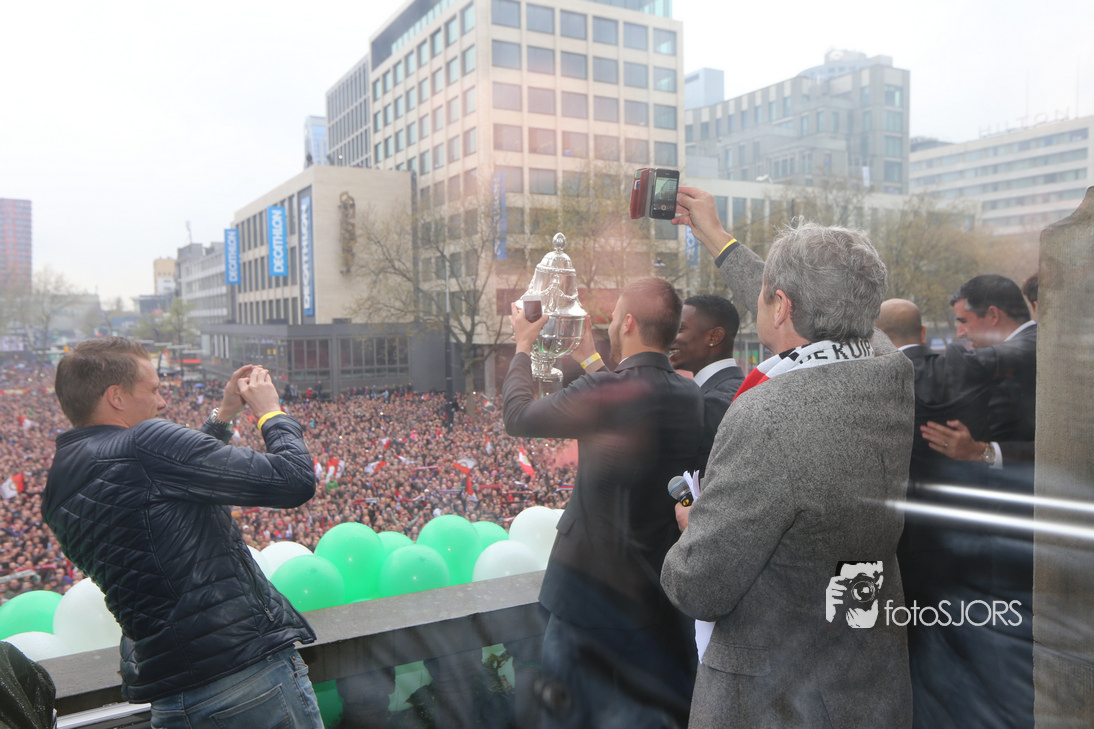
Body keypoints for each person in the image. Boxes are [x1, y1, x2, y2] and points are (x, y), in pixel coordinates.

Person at [661, 186, 914, 728]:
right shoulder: (891, 368)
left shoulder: (767, 414)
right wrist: (717, 238)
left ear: (781, 306)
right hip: (867, 684)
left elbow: (699, 585)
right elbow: (829, 308)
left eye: (767, 298)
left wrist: (694, 527)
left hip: (779, 704)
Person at [42, 338, 323, 728]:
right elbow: (294, 480)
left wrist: (223, 415)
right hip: (246, 679)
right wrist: (270, 412)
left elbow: (167, 493)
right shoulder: (144, 443)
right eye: (154, 390)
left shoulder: (58, 486)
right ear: (116, 397)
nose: (162, 403)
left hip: (171, 699)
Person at [502, 277, 704, 729]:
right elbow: (630, 397)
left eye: (613, 316)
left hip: (586, 598)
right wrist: (593, 360)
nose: (610, 323)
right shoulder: (690, 395)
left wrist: (523, 345)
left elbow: (517, 417)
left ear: (627, 323)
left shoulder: (603, 391)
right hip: (654, 597)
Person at [669, 294, 745, 474]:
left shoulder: (712, 404)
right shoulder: (737, 390)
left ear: (714, 337)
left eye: (680, 329)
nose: (670, 337)